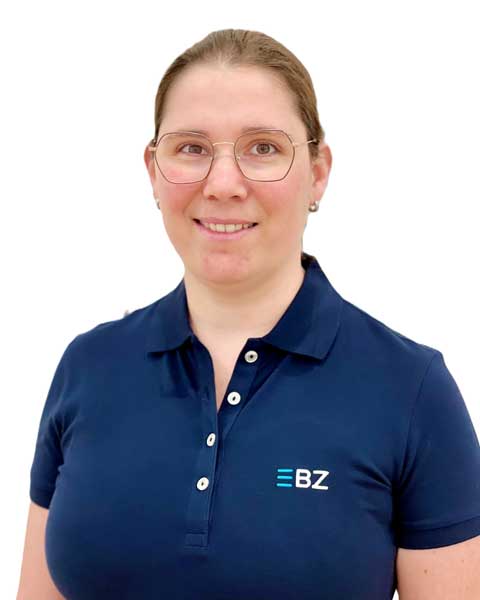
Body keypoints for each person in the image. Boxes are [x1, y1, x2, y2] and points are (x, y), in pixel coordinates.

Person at [17, 28, 480, 600]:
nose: (223, 184)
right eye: (191, 148)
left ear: (317, 171)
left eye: (263, 148)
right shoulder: (88, 366)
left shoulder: (411, 390)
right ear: (153, 170)